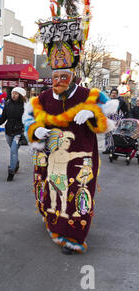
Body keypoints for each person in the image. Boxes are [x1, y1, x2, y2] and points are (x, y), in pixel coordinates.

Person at [23, 0, 118, 255]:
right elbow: (29, 121)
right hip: (51, 156)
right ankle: (55, 225)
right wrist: (36, 131)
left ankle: (74, 236)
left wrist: (92, 113)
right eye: (54, 77)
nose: (58, 81)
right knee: (53, 191)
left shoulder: (91, 95)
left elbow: (111, 121)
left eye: (63, 76)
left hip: (80, 155)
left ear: (73, 75)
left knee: (77, 194)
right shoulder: (42, 98)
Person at [0, 87, 27, 182]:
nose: (13, 95)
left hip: (19, 132)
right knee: (13, 151)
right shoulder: (7, 104)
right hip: (8, 131)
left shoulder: (25, 106)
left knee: (13, 150)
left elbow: (28, 120)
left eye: (16, 93)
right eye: (12, 93)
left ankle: (11, 171)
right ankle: (16, 163)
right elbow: (3, 119)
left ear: (20, 95)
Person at [103, 88, 130, 154]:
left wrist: (124, 119)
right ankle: (108, 148)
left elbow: (126, 111)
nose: (113, 94)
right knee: (107, 134)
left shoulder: (121, 101)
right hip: (108, 120)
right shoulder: (107, 101)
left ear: (117, 94)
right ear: (110, 94)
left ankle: (115, 148)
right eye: (112, 93)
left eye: (115, 93)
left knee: (115, 135)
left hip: (117, 121)